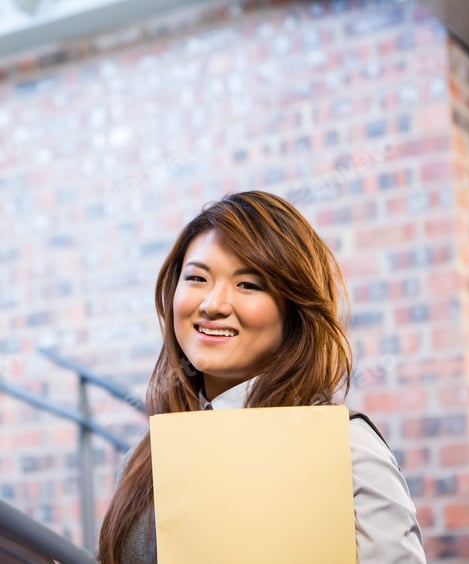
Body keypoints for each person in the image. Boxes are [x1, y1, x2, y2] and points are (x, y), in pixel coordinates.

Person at [98, 190, 426, 563]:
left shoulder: (345, 447)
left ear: (294, 310)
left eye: (248, 284)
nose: (212, 305)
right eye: (197, 278)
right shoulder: (143, 460)